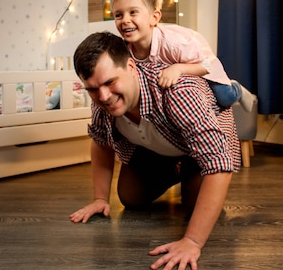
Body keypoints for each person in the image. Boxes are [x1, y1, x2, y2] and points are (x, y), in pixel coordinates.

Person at [69, 31, 241, 270]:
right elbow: (101, 141)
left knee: (194, 207)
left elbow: (219, 162)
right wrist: (100, 198)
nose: (104, 96)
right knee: (130, 197)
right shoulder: (102, 101)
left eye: (110, 82)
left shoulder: (179, 91)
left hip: (199, 153)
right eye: (92, 89)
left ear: (130, 65)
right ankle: (174, 170)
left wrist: (192, 241)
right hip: (156, 147)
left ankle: (189, 172)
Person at [111, 0, 254, 111]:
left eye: (133, 12)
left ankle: (237, 89)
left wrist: (178, 68)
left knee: (224, 97)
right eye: (118, 15)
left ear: (154, 17)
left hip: (199, 62)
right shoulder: (125, 50)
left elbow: (206, 66)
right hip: (177, 77)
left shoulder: (173, 43)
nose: (125, 20)